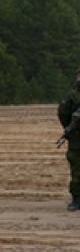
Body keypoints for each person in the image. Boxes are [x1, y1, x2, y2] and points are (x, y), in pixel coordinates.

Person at [58, 65, 80, 211]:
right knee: (77, 170)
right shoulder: (72, 96)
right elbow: (63, 114)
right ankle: (77, 198)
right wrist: (71, 129)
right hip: (77, 139)